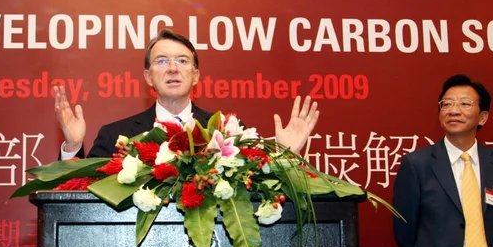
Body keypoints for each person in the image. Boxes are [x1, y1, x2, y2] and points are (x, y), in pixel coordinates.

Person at [54, 28, 320, 159]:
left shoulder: (229, 131)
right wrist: (73, 148)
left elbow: (261, 191)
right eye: (161, 62)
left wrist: (286, 155)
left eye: (182, 61)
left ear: (196, 75)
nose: (172, 68)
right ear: (148, 76)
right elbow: (80, 189)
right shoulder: (115, 136)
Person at [393, 74, 493, 247]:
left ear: (483, 117)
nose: (453, 110)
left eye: (464, 104)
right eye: (446, 104)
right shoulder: (417, 165)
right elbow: (405, 233)